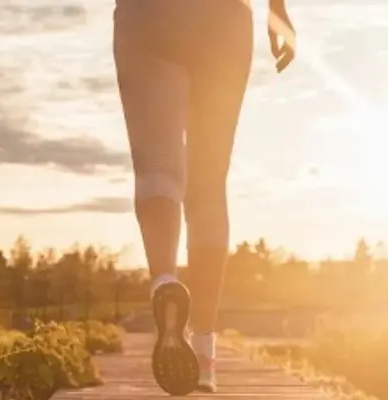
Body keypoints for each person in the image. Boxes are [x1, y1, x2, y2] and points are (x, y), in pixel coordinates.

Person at [112, 0, 296, 395]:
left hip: (148, 17)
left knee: (157, 168)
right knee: (209, 185)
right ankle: (205, 350)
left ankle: (164, 282)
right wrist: (278, 10)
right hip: (225, 19)